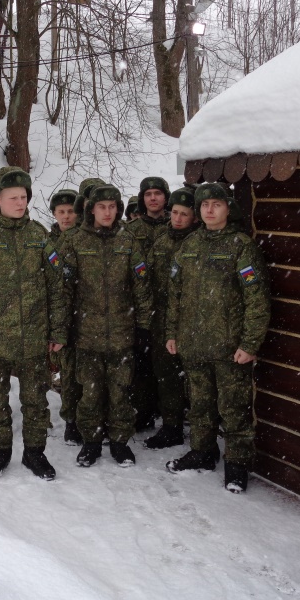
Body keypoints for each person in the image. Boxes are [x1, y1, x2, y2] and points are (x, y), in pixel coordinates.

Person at [0, 167, 68, 480]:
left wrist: (57, 330)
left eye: (24, 197)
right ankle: (0, 450)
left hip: (34, 338)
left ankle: (34, 454)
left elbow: (56, 287)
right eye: (13, 197)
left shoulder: (39, 236)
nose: (20, 203)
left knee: (36, 402)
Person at [165, 182, 271, 493]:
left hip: (229, 347)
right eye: (205, 205)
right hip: (194, 343)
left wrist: (250, 343)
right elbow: (176, 295)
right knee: (199, 404)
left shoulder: (241, 246)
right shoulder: (188, 246)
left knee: (233, 407)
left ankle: (236, 465)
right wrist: (172, 333)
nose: (210, 210)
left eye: (216, 204)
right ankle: (203, 452)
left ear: (227, 208)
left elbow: (257, 298)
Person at [59, 183, 152, 468]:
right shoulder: (75, 241)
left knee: (120, 391)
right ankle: (91, 442)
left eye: (112, 206)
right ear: (91, 209)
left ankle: (120, 442)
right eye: (102, 207)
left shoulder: (129, 241)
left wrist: (144, 326)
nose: (108, 212)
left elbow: (142, 286)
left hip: (122, 333)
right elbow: (63, 290)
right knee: (90, 392)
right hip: (86, 335)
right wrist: (63, 329)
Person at [144, 187, 199, 449]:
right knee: (166, 377)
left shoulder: (199, 242)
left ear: (194, 217)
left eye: (184, 214)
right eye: (175, 213)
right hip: (162, 321)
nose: (177, 219)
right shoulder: (162, 241)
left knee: (197, 381)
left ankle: (202, 435)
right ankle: (171, 427)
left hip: (192, 322)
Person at [125, 176, 172, 431]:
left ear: (166, 196)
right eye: (148, 194)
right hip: (140, 308)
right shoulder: (131, 231)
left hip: (169, 308)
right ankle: (142, 413)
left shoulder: (177, 226)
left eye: (158, 193)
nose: (153, 198)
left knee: (168, 367)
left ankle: (170, 417)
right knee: (140, 366)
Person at [46, 188, 83, 445]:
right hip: (58, 316)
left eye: (71, 211)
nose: (67, 216)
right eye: (62, 212)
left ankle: (90, 419)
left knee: (87, 373)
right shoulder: (47, 242)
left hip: (85, 314)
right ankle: (71, 421)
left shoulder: (85, 239)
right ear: (55, 214)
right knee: (68, 372)